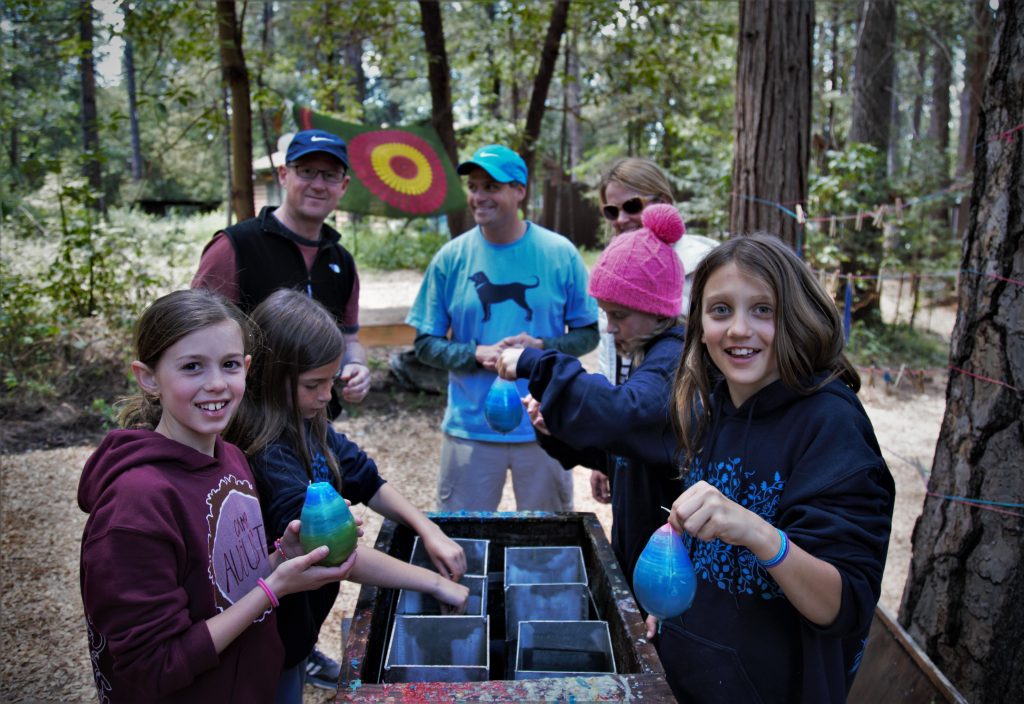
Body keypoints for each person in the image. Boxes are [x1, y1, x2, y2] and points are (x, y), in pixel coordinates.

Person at [78, 289, 357, 703]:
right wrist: (273, 588)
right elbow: (153, 666)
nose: (216, 384)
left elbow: (224, 589)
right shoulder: (134, 508)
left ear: (247, 368)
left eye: (229, 365)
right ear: (149, 378)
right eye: (192, 367)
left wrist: (282, 556)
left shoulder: (231, 459)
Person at [655, 234, 895, 703]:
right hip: (688, 682)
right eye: (720, 310)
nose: (738, 329)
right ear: (699, 326)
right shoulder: (713, 405)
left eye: (763, 309)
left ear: (796, 318)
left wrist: (759, 532)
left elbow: (840, 605)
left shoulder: (831, 425)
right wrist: (672, 616)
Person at [227, 289, 469, 702]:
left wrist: (428, 528)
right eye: (313, 385)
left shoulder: (308, 422)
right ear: (269, 373)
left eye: (331, 381)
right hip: (268, 629)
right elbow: (328, 551)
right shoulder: (267, 453)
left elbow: (366, 479)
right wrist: (431, 583)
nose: (326, 396)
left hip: (299, 624)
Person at [495, 204, 686, 588]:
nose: (611, 329)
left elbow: (625, 414)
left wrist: (537, 363)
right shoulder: (647, 352)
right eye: (606, 315)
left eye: (619, 315)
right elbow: (627, 446)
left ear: (657, 311)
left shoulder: (673, 358)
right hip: (639, 542)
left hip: (667, 560)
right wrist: (555, 429)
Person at [407, 144, 599, 512]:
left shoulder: (560, 253)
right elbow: (425, 345)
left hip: (545, 424)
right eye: (474, 187)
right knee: (461, 544)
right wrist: (473, 352)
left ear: (519, 191)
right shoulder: (451, 258)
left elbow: (588, 334)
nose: (479, 196)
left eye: (492, 187)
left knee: (549, 545)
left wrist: (540, 346)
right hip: (469, 428)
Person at [191, 128, 371, 408]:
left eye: (329, 175)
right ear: (284, 175)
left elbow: (349, 339)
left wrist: (357, 365)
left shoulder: (342, 261)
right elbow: (194, 335)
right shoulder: (234, 246)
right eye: (307, 171)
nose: (318, 184)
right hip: (247, 423)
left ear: (343, 185)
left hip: (317, 422)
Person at [591, 157, 718, 507]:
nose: (621, 219)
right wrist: (607, 450)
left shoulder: (704, 264)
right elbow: (610, 361)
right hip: (634, 436)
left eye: (632, 205)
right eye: (610, 211)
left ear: (663, 202)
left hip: (693, 436)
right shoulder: (614, 265)